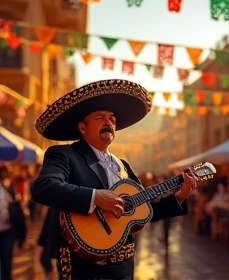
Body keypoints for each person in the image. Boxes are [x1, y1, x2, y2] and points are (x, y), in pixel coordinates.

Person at [31, 79, 197, 280]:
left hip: (124, 267)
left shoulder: (123, 165)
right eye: (100, 117)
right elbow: (43, 187)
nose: (108, 122)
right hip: (83, 266)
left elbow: (144, 211)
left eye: (112, 118)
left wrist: (180, 196)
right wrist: (95, 197)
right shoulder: (64, 154)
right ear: (82, 128)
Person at [0, 165, 16, 280]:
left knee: (6, 265)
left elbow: (15, 208)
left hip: (7, 231)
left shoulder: (8, 189)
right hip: (6, 230)